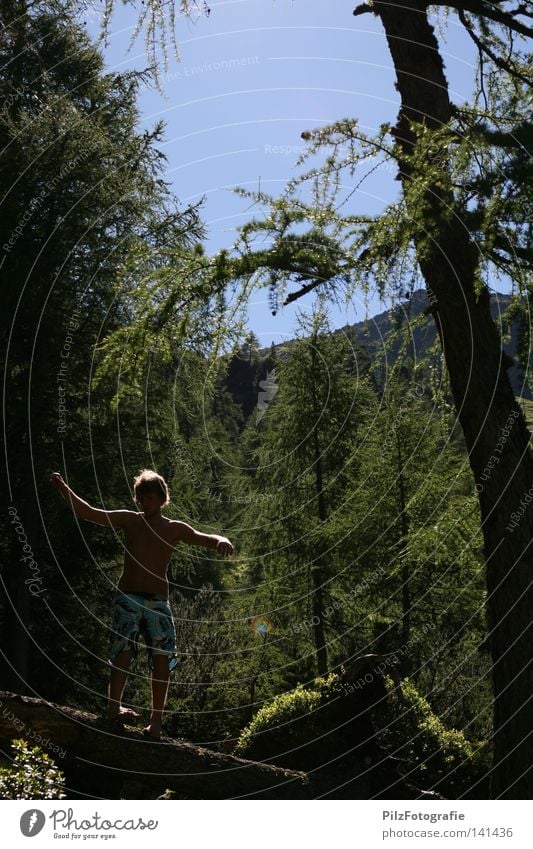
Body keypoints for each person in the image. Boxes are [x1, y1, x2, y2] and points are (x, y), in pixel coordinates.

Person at [50, 469, 234, 740]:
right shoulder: (130, 520)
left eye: (148, 498)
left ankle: (156, 722)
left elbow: (204, 538)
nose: (143, 503)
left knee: (162, 658)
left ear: (161, 499)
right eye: (140, 498)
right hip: (128, 597)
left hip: (158, 602)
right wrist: (63, 489)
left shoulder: (174, 529)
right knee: (123, 650)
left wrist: (222, 540)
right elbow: (89, 512)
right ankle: (114, 708)